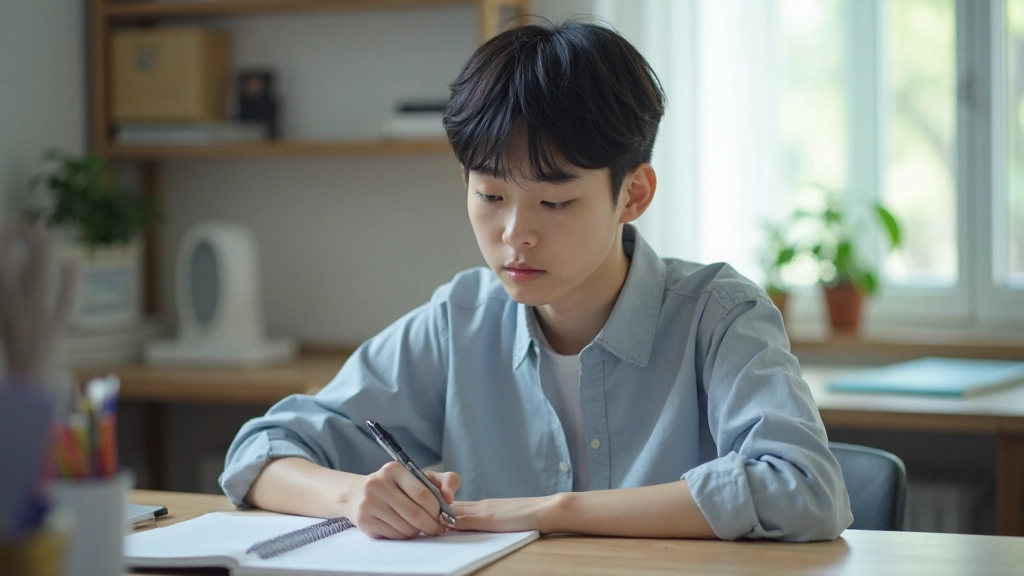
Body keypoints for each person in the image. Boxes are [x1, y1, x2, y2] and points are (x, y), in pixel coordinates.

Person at [220, 20, 853, 542]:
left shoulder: (719, 315)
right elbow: (261, 451)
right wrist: (356, 493)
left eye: (554, 204)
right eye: (490, 194)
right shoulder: (460, 319)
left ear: (633, 194)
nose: (514, 234)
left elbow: (805, 488)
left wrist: (550, 510)